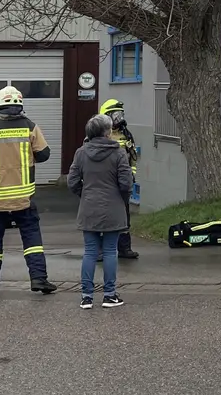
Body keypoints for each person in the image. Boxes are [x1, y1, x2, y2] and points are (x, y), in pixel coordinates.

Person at [0, 86, 56, 298]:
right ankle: (39, 279)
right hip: (23, 198)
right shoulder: (30, 127)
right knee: (31, 238)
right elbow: (44, 155)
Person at [67, 113, 132, 309]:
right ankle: (109, 295)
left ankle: (86, 296)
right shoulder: (118, 153)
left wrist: (85, 195)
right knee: (111, 251)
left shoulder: (81, 153)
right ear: (107, 132)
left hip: (89, 207)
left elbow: (72, 182)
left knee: (90, 252)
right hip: (113, 207)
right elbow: (126, 183)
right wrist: (122, 199)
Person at [100, 99, 141, 260]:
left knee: (124, 216)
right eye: (115, 114)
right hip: (104, 183)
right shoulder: (98, 134)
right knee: (103, 217)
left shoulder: (126, 134)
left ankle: (125, 248)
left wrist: (131, 176)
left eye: (120, 114)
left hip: (122, 183)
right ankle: (100, 251)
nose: (119, 118)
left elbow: (132, 158)